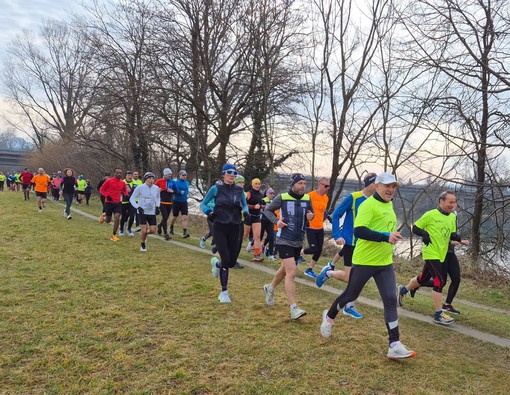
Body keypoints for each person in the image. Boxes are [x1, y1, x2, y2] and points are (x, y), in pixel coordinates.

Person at [320, 172, 416, 359]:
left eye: (393, 186)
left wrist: (392, 235)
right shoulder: (367, 205)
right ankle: (329, 317)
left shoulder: (389, 206)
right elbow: (360, 231)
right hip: (364, 261)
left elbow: (382, 230)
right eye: (387, 186)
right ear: (377, 186)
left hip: (384, 263)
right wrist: (385, 236)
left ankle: (394, 344)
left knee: (390, 299)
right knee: (350, 295)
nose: (390, 190)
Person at [398, 191, 469, 325]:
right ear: (442, 201)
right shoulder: (430, 215)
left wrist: (459, 239)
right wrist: (425, 234)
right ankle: (438, 314)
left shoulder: (452, 217)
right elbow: (415, 228)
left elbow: (451, 235)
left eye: (455, 202)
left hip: (442, 253)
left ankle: (403, 289)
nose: (453, 205)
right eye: (450, 202)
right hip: (431, 252)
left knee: (423, 279)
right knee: (439, 281)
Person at [315, 173, 377, 320]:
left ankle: (350, 306)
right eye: (377, 183)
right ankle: (328, 273)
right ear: (370, 184)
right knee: (349, 278)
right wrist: (337, 235)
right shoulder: (354, 197)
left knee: (360, 277)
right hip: (351, 242)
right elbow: (336, 215)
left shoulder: (377, 201)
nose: (379, 186)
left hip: (367, 244)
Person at [262, 173, 314, 320]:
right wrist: (276, 222)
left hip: (298, 241)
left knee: (285, 270)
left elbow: (310, 215)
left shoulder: (307, 198)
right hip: (284, 239)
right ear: (293, 184)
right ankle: (293, 308)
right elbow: (267, 211)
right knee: (292, 272)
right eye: (300, 183)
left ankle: (270, 288)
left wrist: (311, 217)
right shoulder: (282, 197)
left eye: (304, 183)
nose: (303, 186)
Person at [200, 164, 249, 303]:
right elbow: (203, 204)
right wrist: (208, 212)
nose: (232, 175)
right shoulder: (216, 188)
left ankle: (216, 264)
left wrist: (246, 212)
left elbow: (244, 204)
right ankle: (224, 292)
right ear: (223, 174)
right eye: (229, 172)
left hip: (235, 227)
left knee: (232, 262)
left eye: (234, 172)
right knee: (226, 259)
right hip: (219, 226)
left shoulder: (239, 190)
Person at [303, 177, 331, 279]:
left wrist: (328, 217)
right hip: (310, 226)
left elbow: (323, 210)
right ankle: (300, 253)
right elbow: (303, 209)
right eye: (326, 186)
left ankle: (309, 269)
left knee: (319, 250)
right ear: (319, 184)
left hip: (320, 227)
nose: (327, 188)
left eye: (329, 186)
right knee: (314, 248)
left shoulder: (326, 198)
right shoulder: (309, 196)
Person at [130, 172, 161, 252]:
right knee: (143, 230)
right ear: (146, 179)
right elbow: (132, 199)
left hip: (151, 212)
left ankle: (144, 235)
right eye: (149, 178)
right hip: (142, 211)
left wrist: (157, 206)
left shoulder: (156, 188)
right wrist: (138, 207)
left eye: (152, 178)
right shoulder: (140, 187)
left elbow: (158, 198)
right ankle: (142, 244)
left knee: (153, 230)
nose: (151, 180)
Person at [99, 168, 128, 241]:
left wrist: (126, 194)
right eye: (117, 173)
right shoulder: (109, 181)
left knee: (117, 217)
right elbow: (101, 189)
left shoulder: (122, 182)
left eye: (120, 173)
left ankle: (114, 235)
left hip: (118, 203)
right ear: (114, 173)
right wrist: (107, 195)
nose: (119, 174)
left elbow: (124, 190)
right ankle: (103, 218)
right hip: (108, 202)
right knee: (108, 220)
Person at [243, 178, 265, 261]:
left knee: (257, 236)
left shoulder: (260, 194)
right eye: (256, 184)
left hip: (256, 217)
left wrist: (262, 206)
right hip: (248, 216)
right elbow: (244, 204)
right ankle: (234, 246)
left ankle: (256, 254)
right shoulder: (249, 193)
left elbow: (261, 204)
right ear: (252, 184)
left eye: (259, 184)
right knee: (245, 235)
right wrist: (253, 206)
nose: (258, 185)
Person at [199, 178, 220, 249]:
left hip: (219, 215)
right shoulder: (211, 194)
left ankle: (204, 239)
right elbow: (206, 204)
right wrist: (215, 205)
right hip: (211, 215)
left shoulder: (221, 196)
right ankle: (214, 243)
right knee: (213, 231)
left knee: (215, 231)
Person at [155, 168, 175, 240]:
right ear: (165, 174)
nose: (170, 175)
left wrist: (172, 191)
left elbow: (176, 191)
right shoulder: (159, 181)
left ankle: (160, 226)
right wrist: (158, 190)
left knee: (165, 218)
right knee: (165, 217)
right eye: (169, 174)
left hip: (169, 202)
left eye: (171, 174)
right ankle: (166, 234)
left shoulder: (172, 182)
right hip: (162, 202)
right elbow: (153, 189)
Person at [170, 170, 190, 238]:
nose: (184, 176)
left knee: (185, 217)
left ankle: (185, 231)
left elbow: (187, 190)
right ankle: (171, 226)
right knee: (175, 216)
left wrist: (187, 194)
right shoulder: (176, 183)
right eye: (183, 175)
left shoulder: (187, 183)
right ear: (180, 175)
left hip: (184, 202)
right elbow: (173, 191)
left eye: (185, 175)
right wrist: (179, 192)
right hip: (176, 201)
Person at [260, 188, 277, 261]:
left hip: (270, 221)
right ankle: (252, 244)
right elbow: (260, 210)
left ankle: (270, 254)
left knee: (271, 237)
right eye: (271, 193)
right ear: (267, 194)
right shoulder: (263, 200)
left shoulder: (273, 201)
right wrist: (262, 207)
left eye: (273, 193)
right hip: (263, 220)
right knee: (259, 236)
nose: (272, 195)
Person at [119, 171, 137, 236]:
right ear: (126, 176)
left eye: (130, 175)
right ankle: (121, 229)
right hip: (123, 201)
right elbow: (119, 191)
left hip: (132, 202)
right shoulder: (122, 182)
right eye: (128, 175)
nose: (130, 177)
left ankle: (129, 229)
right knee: (123, 216)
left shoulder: (135, 183)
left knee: (132, 216)